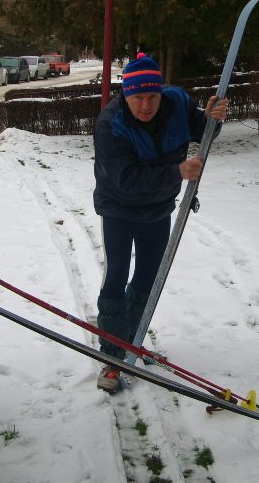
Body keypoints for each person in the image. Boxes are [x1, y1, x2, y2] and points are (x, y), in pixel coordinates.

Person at [92, 52, 228, 392]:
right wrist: (177, 173)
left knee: (149, 277)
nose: (146, 105)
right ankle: (111, 355)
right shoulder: (111, 123)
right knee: (117, 274)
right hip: (119, 209)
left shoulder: (176, 102)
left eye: (152, 96)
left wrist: (214, 117)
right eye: (138, 97)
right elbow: (126, 179)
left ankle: (133, 340)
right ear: (126, 93)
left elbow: (202, 129)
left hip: (158, 209)